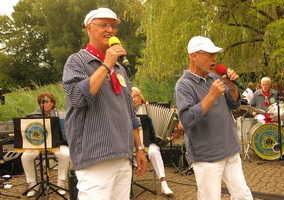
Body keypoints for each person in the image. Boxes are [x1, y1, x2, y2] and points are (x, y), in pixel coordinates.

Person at [62, 7, 148, 199]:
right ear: (89, 28)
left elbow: (130, 112)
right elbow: (77, 98)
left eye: (113, 26)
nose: (110, 30)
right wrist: (106, 64)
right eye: (103, 25)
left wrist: (139, 148)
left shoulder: (119, 67)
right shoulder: (76, 61)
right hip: (94, 156)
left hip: (123, 153)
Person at [174, 36, 253, 200]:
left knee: (243, 196)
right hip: (207, 156)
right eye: (209, 54)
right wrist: (210, 96)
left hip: (229, 148)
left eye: (215, 55)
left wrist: (232, 87)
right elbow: (187, 120)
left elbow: (234, 104)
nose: (214, 58)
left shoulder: (215, 78)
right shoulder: (183, 85)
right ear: (194, 56)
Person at [21, 92, 70, 197]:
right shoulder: (32, 116)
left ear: (52, 103)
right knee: (25, 157)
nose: (45, 104)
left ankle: (60, 185)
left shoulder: (62, 114)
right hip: (38, 145)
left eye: (47, 102)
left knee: (65, 155)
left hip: (57, 144)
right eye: (42, 102)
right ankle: (33, 187)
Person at [132, 87, 173, 195]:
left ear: (140, 97)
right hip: (131, 145)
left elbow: (158, 131)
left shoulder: (148, 110)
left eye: (135, 96)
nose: (133, 99)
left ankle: (164, 184)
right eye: (130, 97)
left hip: (148, 143)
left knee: (154, 151)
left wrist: (166, 137)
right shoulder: (126, 111)